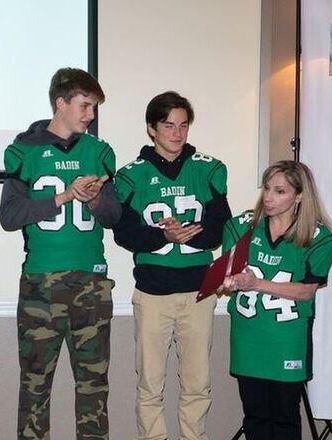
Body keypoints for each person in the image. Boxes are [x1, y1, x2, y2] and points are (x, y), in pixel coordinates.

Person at [0, 67, 121, 440]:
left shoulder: (99, 152)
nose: (91, 115)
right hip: (41, 282)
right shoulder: (24, 151)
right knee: (35, 385)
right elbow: (10, 216)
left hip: (91, 281)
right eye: (85, 105)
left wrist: (95, 198)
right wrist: (64, 196)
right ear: (61, 103)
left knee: (94, 385)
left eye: (94, 107)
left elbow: (114, 217)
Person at [113, 91, 231, 440]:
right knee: (150, 383)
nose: (177, 133)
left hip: (198, 291)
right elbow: (124, 233)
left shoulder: (208, 169)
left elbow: (219, 229)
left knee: (197, 383)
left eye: (183, 125)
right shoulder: (131, 175)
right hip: (153, 292)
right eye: (168, 125)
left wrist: (189, 235)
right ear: (151, 128)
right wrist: (164, 236)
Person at [220, 160, 332, 440]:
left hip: (286, 339)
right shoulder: (242, 227)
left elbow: (306, 291)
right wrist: (227, 282)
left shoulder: (319, 238)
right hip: (248, 336)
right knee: (255, 417)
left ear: (299, 195)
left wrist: (256, 284)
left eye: (280, 191)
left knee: (284, 418)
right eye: (267, 188)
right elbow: (227, 275)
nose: (269, 197)